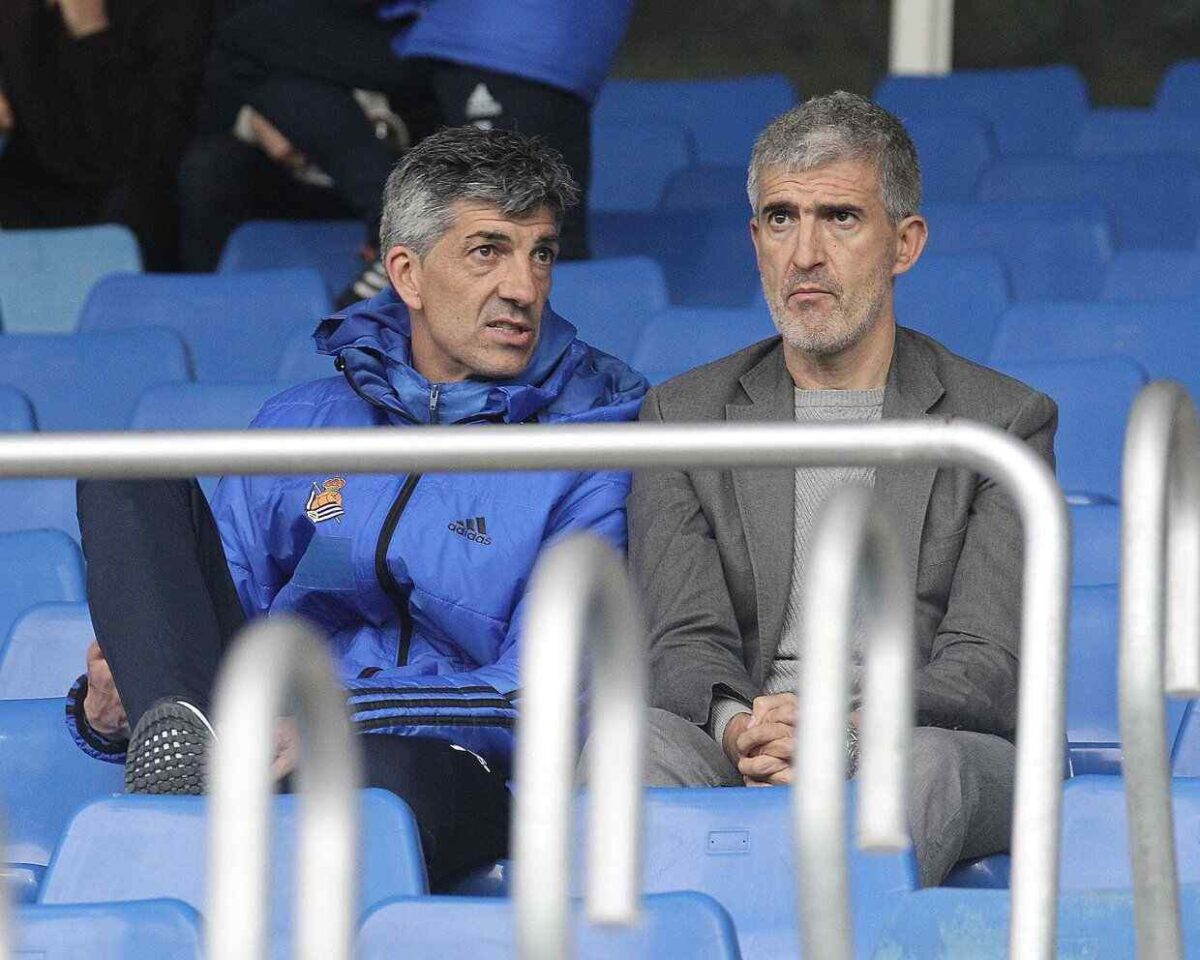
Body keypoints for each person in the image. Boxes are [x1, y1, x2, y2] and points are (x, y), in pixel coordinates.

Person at [67, 126, 648, 884]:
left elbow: (544, 694)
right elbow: (219, 609)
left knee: (383, 787)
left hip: (452, 767)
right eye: (488, 251)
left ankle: (204, 804)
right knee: (126, 470)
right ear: (407, 273)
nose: (524, 288)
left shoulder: (593, 441)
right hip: (265, 739)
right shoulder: (302, 423)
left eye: (540, 254)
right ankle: (179, 747)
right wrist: (109, 707)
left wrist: (331, 718)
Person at [629, 91, 1057, 887]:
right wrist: (739, 730)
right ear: (756, 240)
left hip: (926, 740)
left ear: (905, 243)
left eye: (841, 218)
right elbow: (682, 642)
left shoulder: (1003, 420)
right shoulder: (681, 415)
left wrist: (846, 734)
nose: (805, 254)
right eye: (781, 219)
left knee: (920, 766)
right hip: (753, 742)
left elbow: (985, 665)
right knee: (630, 749)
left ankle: (842, 937)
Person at [178, 0, 633, 290]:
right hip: (446, 27)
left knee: (520, 234)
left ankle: (564, 406)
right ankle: (397, 222)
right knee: (252, 37)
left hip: (511, 35)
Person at [0, 0, 212, 269]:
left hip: (130, 192)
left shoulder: (175, 13)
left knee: (134, 205)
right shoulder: (19, 13)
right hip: (36, 182)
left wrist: (92, 32)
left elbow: (150, 147)